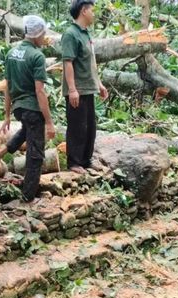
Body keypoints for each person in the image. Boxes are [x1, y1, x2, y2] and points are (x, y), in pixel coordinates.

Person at [0, 15, 55, 202]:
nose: (44, 37)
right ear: (37, 34)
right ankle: (28, 197)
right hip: (32, 107)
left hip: (19, 109)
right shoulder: (37, 56)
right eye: (43, 33)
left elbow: (7, 87)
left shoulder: (11, 54)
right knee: (36, 154)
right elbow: (39, 91)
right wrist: (50, 122)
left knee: (26, 129)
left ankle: (4, 150)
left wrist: (7, 115)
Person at [62, 0, 109, 174]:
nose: (94, 14)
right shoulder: (70, 34)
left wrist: (100, 83)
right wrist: (72, 89)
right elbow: (68, 63)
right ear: (83, 11)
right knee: (77, 126)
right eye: (92, 10)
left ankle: (86, 160)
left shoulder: (86, 34)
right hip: (78, 89)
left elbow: (91, 62)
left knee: (89, 126)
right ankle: (74, 162)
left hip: (89, 87)